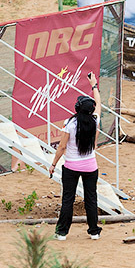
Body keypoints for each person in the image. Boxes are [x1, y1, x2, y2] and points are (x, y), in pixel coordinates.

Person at [48, 72, 103, 241]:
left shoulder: (70, 124)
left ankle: (62, 232)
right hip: (90, 166)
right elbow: (99, 103)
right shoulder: (94, 121)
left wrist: (53, 164)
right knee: (91, 199)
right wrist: (93, 85)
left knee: (68, 200)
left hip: (71, 167)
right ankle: (94, 231)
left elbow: (62, 147)